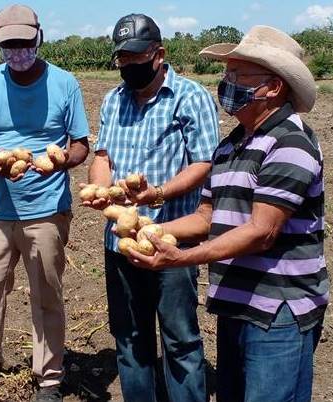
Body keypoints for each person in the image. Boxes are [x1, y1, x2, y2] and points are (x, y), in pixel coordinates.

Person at [126, 25, 328, 402]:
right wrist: (148, 231)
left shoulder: (290, 143)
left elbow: (261, 232)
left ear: (274, 86)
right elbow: (207, 217)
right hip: (238, 303)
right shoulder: (231, 145)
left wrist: (180, 258)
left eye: (238, 74)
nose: (227, 82)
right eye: (227, 73)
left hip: (279, 311)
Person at [0, 5, 90, 402]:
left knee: (45, 293)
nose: (18, 53)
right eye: (9, 46)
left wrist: (59, 162)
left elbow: (81, 146)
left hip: (47, 209)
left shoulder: (64, 83)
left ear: (39, 37)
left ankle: (50, 376)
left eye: (25, 44)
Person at [84, 14, 219, 402]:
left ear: (159, 54)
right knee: (129, 338)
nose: (128, 65)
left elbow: (204, 163)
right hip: (122, 243)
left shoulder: (190, 97)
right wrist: (101, 189)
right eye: (122, 59)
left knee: (179, 339)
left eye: (136, 56)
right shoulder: (114, 99)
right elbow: (104, 156)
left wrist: (157, 193)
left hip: (171, 238)